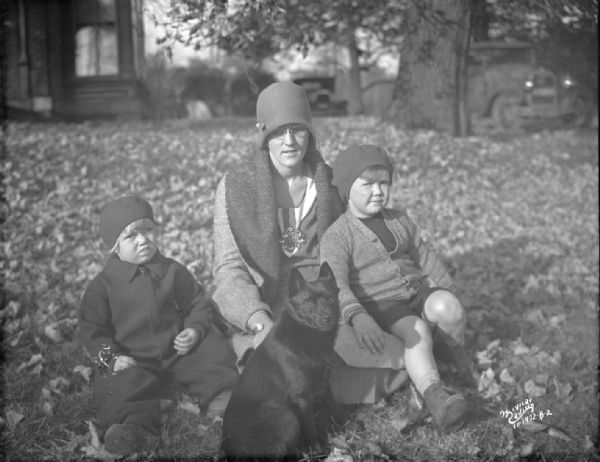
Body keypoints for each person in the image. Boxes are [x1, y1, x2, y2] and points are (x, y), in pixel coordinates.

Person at [212, 81, 407, 405]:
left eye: (297, 130)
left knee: (394, 360)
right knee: (274, 365)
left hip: (324, 304)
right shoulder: (236, 186)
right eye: (278, 132)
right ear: (263, 135)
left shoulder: (331, 183)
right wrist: (259, 321)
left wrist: (355, 310)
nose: (289, 141)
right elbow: (229, 267)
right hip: (269, 302)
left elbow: (355, 250)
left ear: (310, 134)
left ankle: (324, 388)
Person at [320, 144, 477, 430]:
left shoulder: (399, 219)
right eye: (367, 185)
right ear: (346, 189)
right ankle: (434, 394)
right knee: (416, 331)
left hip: (415, 293)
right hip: (383, 304)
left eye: (384, 183)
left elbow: (423, 255)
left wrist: (447, 289)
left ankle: (450, 358)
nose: (378, 192)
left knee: (448, 308)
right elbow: (336, 283)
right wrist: (357, 315)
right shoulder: (338, 235)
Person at [79, 196, 238, 456]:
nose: (143, 240)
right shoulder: (102, 287)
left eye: (148, 231)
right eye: (132, 236)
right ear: (114, 247)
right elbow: (91, 330)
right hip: (132, 358)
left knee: (211, 348)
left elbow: (196, 302)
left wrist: (194, 329)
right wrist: (112, 359)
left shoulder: (172, 270)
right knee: (117, 382)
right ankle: (137, 427)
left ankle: (223, 396)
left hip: (177, 349)